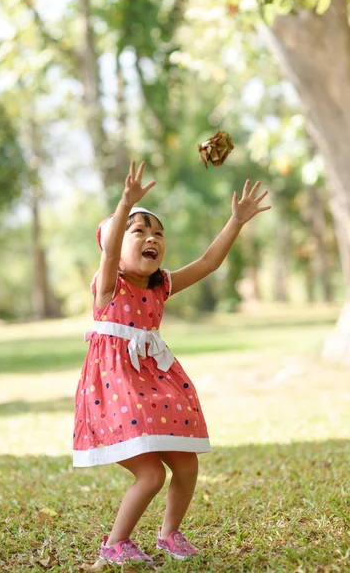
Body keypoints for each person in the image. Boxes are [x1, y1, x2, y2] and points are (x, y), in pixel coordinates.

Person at [73, 161, 271, 564]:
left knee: (186, 463)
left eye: (158, 233)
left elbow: (208, 263)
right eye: (139, 231)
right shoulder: (110, 285)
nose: (151, 238)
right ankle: (114, 545)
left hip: (154, 380)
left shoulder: (161, 285)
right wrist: (126, 201)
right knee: (151, 474)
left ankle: (170, 534)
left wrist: (235, 221)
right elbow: (110, 249)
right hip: (115, 389)